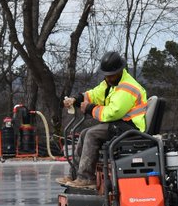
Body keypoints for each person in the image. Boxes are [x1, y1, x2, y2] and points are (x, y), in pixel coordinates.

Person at [57, 51, 148, 189]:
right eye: (106, 75)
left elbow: (112, 113)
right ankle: (75, 175)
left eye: (111, 75)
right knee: (84, 133)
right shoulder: (110, 83)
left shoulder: (127, 88)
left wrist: (90, 108)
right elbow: (94, 94)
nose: (108, 78)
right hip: (120, 125)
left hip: (131, 128)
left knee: (92, 134)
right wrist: (77, 98)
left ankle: (87, 178)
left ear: (120, 71)